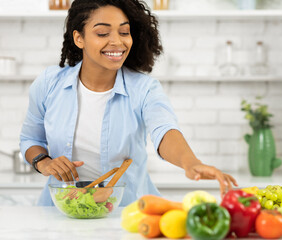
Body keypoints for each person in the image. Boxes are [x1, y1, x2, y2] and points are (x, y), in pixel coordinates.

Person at [20, 0, 238, 206]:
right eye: (102, 33)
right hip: (60, 210)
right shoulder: (49, 83)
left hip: (127, 212)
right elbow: (31, 138)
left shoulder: (144, 89)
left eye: (124, 32)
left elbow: (164, 130)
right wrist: (44, 162)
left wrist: (191, 163)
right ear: (79, 38)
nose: (117, 41)